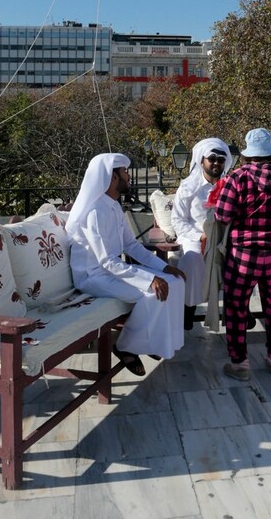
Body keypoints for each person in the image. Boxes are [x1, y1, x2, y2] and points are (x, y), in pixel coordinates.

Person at [66, 153, 186, 376]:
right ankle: (124, 346)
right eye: (125, 172)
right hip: (93, 277)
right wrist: (149, 279)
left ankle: (154, 342)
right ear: (111, 178)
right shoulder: (95, 212)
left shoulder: (112, 206)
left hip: (110, 270)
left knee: (174, 281)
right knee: (153, 293)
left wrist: (163, 268)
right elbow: (105, 261)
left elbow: (131, 245)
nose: (129, 176)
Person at [213, 128, 271, 380]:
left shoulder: (237, 178)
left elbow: (222, 216)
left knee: (236, 308)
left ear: (247, 155)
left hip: (243, 256)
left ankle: (240, 364)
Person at [171, 137, 233, 330]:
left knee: (243, 258)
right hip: (195, 237)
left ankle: (239, 311)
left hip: (225, 237)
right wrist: (200, 236)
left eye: (221, 160)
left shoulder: (231, 185)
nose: (216, 163)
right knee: (192, 260)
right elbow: (178, 220)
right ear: (201, 161)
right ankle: (188, 310)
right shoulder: (188, 187)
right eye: (212, 158)